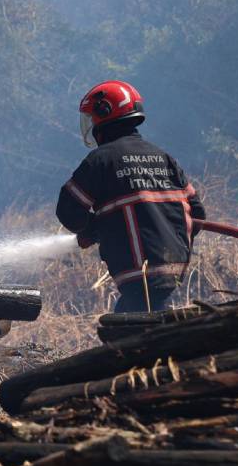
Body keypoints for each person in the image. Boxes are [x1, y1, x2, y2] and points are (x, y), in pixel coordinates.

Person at [56, 80, 207, 313]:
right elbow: (198, 214)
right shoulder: (163, 157)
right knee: (130, 322)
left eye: (91, 117)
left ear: (104, 113)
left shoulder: (101, 160)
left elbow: (68, 212)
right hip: (174, 271)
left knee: (130, 332)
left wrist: (93, 229)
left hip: (138, 272)